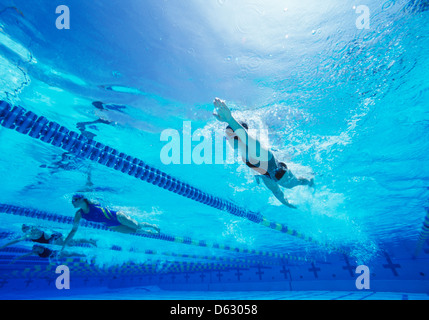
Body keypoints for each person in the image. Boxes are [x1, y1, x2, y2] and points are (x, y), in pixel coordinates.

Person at [213, 98, 313, 209]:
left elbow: (245, 136)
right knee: (277, 193)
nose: (227, 141)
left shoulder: (255, 145)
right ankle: (291, 204)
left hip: (277, 172)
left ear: (237, 138)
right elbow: (252, 164)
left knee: (291, 184)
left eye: (228, 138)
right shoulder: (242, 151)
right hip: (264, 174)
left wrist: (229, 119)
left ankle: (309, 181)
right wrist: (257, 175)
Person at [62, 194, 160, 251]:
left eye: (74, 200)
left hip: (117, 216)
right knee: (134, 231)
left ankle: (152, 225)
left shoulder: (92, 202)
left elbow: (90, 190)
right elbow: (74, 230)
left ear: (81, 199)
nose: (72, 202)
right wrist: (64, 244)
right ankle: (148, 232)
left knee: (137, 226)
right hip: (112, 225)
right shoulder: (79, 214)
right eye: (72, 200)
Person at [0, 224, 96, 251]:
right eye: (25, 228)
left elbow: (48, 228)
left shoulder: (35, 228)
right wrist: (4, 246)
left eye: (27, 227)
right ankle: (90, 240)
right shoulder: (28, 235)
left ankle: (90, 241)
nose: (29, 229)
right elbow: (16, 241)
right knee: (72, 243)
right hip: (53, 239)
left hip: (55, 237)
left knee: (71, 243)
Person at [9, 244, 85, 264]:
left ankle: (83, 254)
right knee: (69, 254)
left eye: (34, 248)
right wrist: (15, 259)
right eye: (33, 248)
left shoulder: (45, 247)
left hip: (57, 253)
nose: (33, 249)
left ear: (38, 247)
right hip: (55, 257)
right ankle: (83, 254)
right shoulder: (35, 252)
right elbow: (24, 255)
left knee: (70, 254)